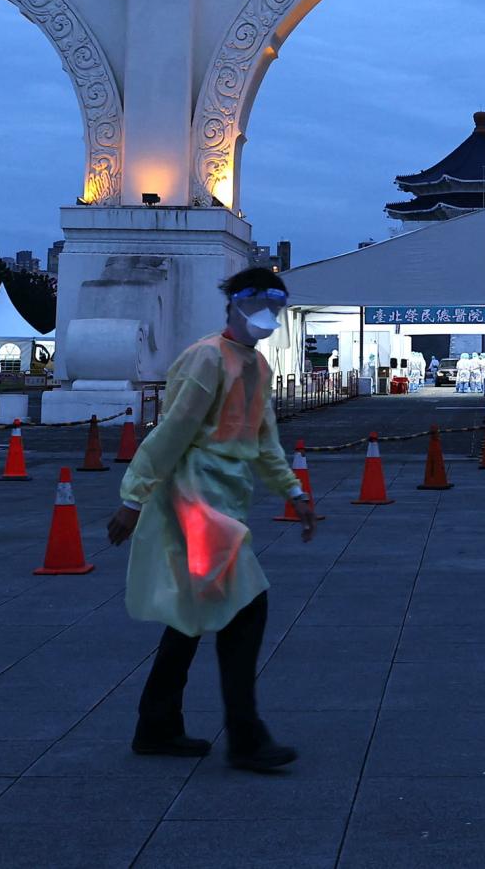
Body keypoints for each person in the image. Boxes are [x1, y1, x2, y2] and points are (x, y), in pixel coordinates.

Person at [107, 264, 315, 771]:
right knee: (246, 608)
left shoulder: (257, 367)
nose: (267, 316)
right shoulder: (206, 359)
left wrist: (293, 490)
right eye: (259, 305)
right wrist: (133, 498)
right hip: (194, 500)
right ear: (234, 306)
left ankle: (156, 725)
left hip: (225, 500)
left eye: (275, 308)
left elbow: (264, 440)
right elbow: (172, 431)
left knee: (193, 615)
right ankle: (245, 736)